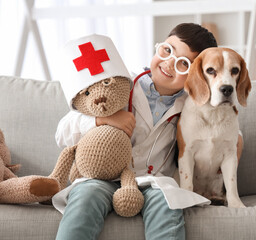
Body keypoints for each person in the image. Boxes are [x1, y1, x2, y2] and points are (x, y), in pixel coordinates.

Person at [54, 23, 218, 240]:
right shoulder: (118, 83)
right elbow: (61, 133)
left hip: (154, 183)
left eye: (183, 64)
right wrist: (103, 119)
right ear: (157, 46)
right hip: (104, 177)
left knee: (166, 205)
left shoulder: (193, 106)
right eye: (167, 50)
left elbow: (221, 132)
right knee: (86, 196)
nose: (169, 63)